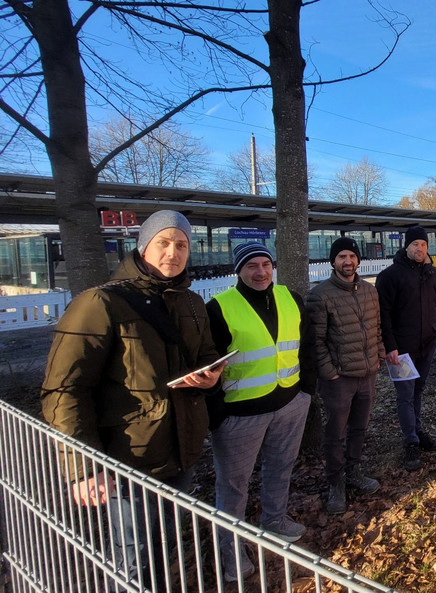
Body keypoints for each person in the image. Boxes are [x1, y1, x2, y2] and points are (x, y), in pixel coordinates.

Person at [40, 210, 223, 590]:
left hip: (183, 445)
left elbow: (205, 353)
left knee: (167, 540)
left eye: (181, 245)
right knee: (134, 552)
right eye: (163, 243)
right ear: (143, 246)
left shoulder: (190, 303)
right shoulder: (100, 303)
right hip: (130, 456)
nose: (172, 253)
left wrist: (210, 375)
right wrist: (82, 466)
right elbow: (65, 389)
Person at [205, 242, 315, 580]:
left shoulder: (290, 297)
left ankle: (274, 522)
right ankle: (231, 549)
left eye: (266, 264)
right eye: (252, 265)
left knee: (280, 468)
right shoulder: (220, 307)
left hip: (290, 404)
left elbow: (307, 345)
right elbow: (207, 365)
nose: (261, 272)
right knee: (233, 485)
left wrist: (306, 392)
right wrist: (217, 414)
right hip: (240, 415)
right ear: (238, 270)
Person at [306, 237, 385, 515]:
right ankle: (335, 483)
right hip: (339, 379)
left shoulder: (369, 291)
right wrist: (330, 373)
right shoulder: (320, 295)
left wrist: (379, 355)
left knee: (359, 428)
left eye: (352, 256)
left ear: (358, 260)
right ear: (333, 261)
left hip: (368, 373)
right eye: (342, 257)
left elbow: (376, 328)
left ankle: (354, 472)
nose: (348, 262)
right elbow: (315, 341)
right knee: (335, 433)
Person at [376, 226, 436, 471]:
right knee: (405, 395)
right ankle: (411, 443)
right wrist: (390, 346)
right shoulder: (390, 276)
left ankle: (417, 431)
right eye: (415, 244)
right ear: (406, 246)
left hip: (427, 346)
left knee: (418, 391)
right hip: (401, 351)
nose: (420, 248)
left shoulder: (433, 274)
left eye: (424, 244)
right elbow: (383, 315)